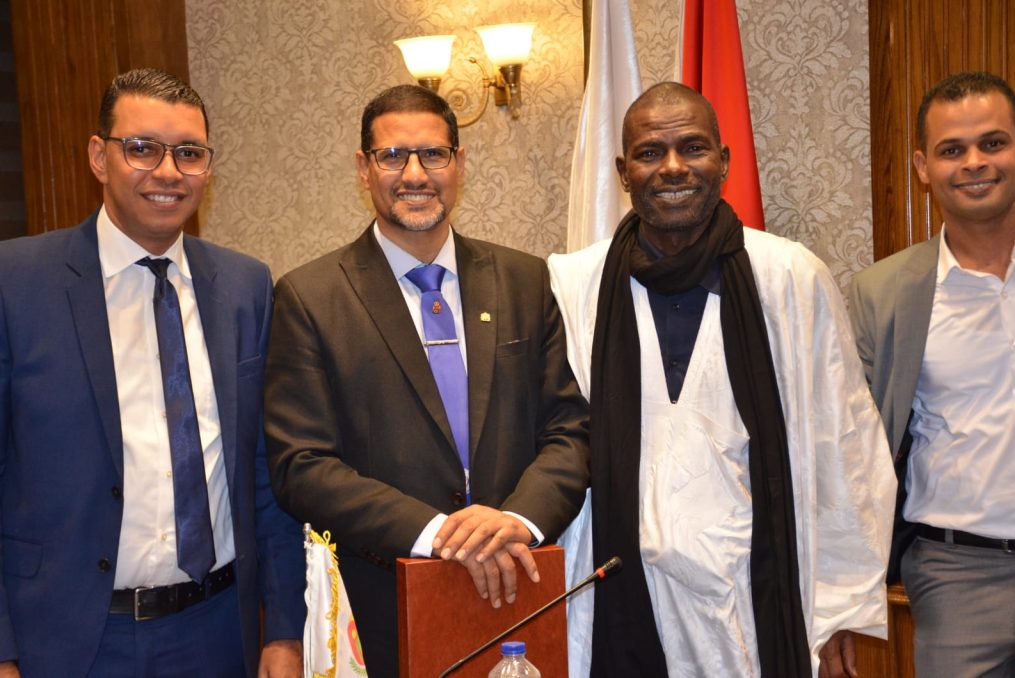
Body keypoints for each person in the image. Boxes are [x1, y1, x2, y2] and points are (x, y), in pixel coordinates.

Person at [548, 82, 895, 677]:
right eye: (650, 152)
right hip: (620, 590)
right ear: (623, 171)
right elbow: (552, 441)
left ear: (724, 161)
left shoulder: (789, 276)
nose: (673, 167)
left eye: (693, 147)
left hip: (754, 592)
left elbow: (844, 441)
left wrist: (842, 606)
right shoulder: (573, 284)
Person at [263, 84, 590, 678]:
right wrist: (437, 533)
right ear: (363, 168)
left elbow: (569, 432)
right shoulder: (309, 297)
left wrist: (517, 521)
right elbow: (301, 464)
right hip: (379, 608)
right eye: (392, 156)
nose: (414, 174)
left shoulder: (523, 280)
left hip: (518, 590)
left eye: (433, 154)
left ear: (459, 163)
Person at [0, 68, 305, 677]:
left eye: (189, 153)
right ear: (99, 156)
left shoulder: (245, 286)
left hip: (218, 631)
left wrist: (283, 631)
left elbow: (265, 473)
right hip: (67, 642)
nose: (168, 172)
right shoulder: (16, 282)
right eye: (142, 148)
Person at [849, 71, 1015, 677]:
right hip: (955, 578)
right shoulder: (883, 294)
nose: (974, 162)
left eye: (992, 142)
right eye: (953, 149)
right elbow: (855, 450)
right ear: (924, 167)